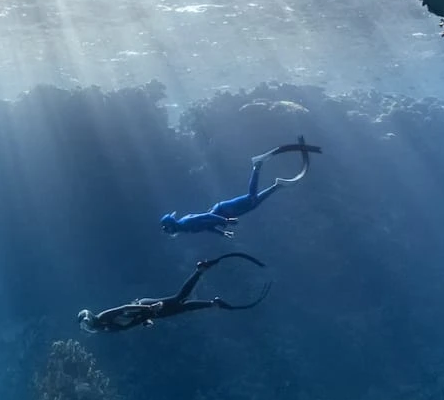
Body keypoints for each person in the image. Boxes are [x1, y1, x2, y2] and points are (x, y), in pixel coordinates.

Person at [160, 137, 322, 237]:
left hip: (223, 210)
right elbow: (207, 225)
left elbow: (206, 217)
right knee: (254, 204)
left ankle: (257, 165)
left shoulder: (186, 223)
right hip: (223, 212)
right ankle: (277, 185)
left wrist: (226, 220)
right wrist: (222, 232)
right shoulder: (185, 227)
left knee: (251, 198)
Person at [78, 253, 271, 333]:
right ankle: (214, 303)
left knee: (180, 299)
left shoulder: (103, 318)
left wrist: (148, 308)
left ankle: (200, 271)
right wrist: (145, 320)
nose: (87, 327)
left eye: (85, 323)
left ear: (89, 318)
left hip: (144, 305)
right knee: (183, 307)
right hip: (148, 313)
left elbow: (125, 308)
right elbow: (129, 323)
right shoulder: (104, 330)